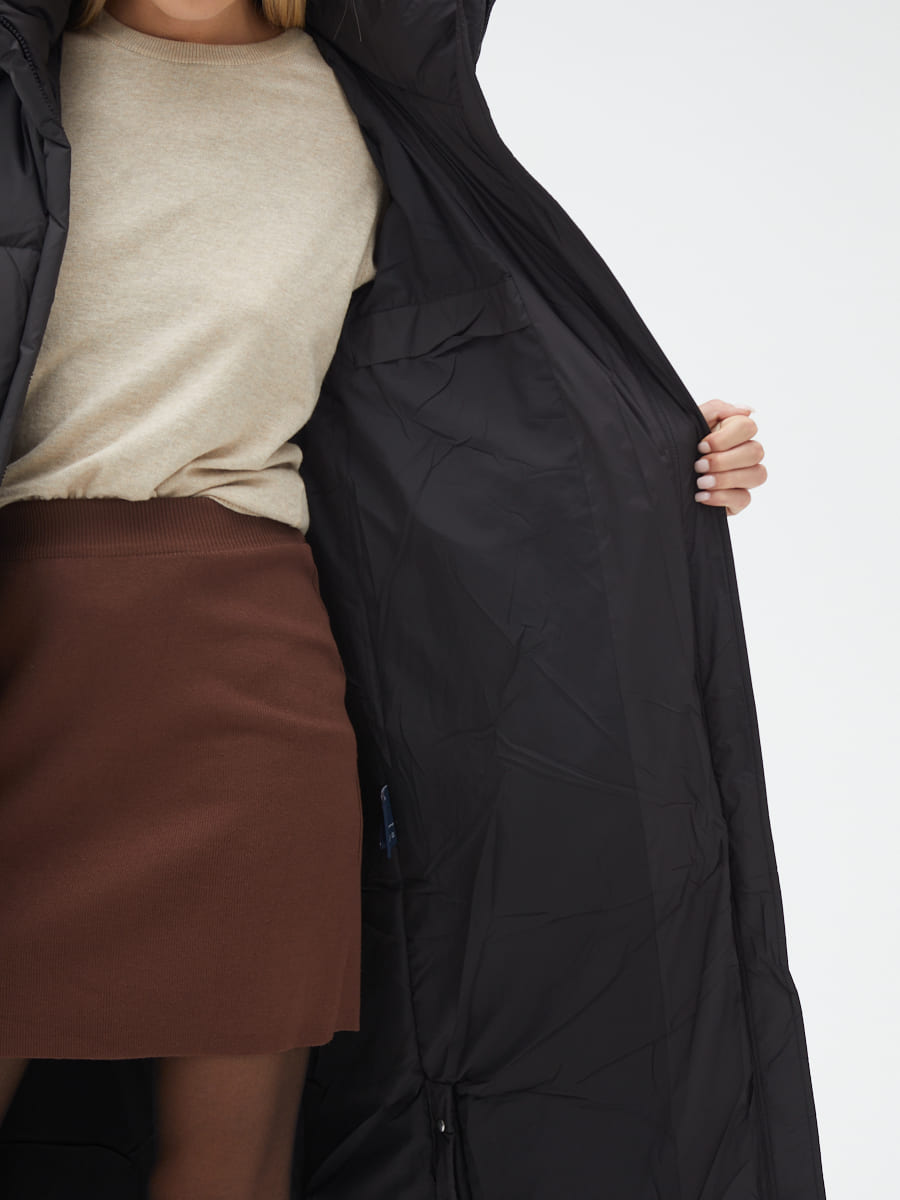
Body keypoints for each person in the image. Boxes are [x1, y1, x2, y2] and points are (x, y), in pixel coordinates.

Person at [0, 1, 795, 1198]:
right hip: (26, 654)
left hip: (247, 678)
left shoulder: (368, 113)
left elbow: (473, 392)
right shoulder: (24, 82)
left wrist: (660, 448)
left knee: (231, 1168)